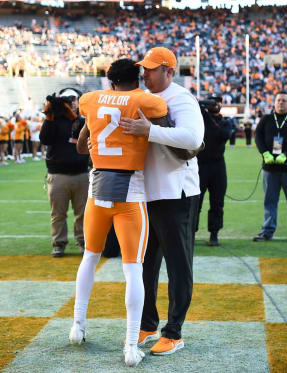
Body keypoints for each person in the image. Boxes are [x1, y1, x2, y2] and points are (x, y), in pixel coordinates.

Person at [70, 58, 169, 367]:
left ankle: (77, 325)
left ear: (109, 79)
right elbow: (161, 110)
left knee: (90, 256)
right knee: (133, 269)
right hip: (130, 192)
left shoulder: (91, 99)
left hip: (97, 188)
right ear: (137, 77)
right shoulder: (142, 99)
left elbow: (86, 122)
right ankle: (129, 344)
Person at [119, 47, 204, 356]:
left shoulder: (181, 98)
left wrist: (150, 130)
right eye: (145, 68)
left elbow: (194, 139)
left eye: (152, 69)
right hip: (148, 193)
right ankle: (148, 322)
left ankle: (174, 331)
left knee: (179, 266)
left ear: (169, 71)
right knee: (146, 265)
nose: (146, 73)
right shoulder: (147, 96)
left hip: (176, 194)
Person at [39, 89, 90, 257]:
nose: (72, 102)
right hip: (58, 174)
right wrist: (49, 117)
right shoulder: (53, 120)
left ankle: (83, 241)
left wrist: (76, 120)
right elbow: (45, 139)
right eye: (67, 99)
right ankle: (58, 244)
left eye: (74, 98)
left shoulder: (83, 121)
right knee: (57, 214)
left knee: (82, 213)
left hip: (82, 173)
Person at [252, 91, 287, 243]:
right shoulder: (267, 119)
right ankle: (267, 232)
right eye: (278, 100)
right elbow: (258, 137)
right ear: (274, 103)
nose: (281, 103)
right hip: (269, 169)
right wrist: (264, 153)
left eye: (284, 101)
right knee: (269, 201)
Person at [196, 97, 232, 246]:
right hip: (200, 165)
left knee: (217, 202)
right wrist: (203, 109)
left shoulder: (226, 122)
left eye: (217, 102)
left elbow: (221, 135)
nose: (214, 105)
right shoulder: (200, 119)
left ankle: (214, 234)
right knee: (195, 203)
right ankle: (191, 233)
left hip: (218, 166)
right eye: (211, 103)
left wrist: (207, 113)